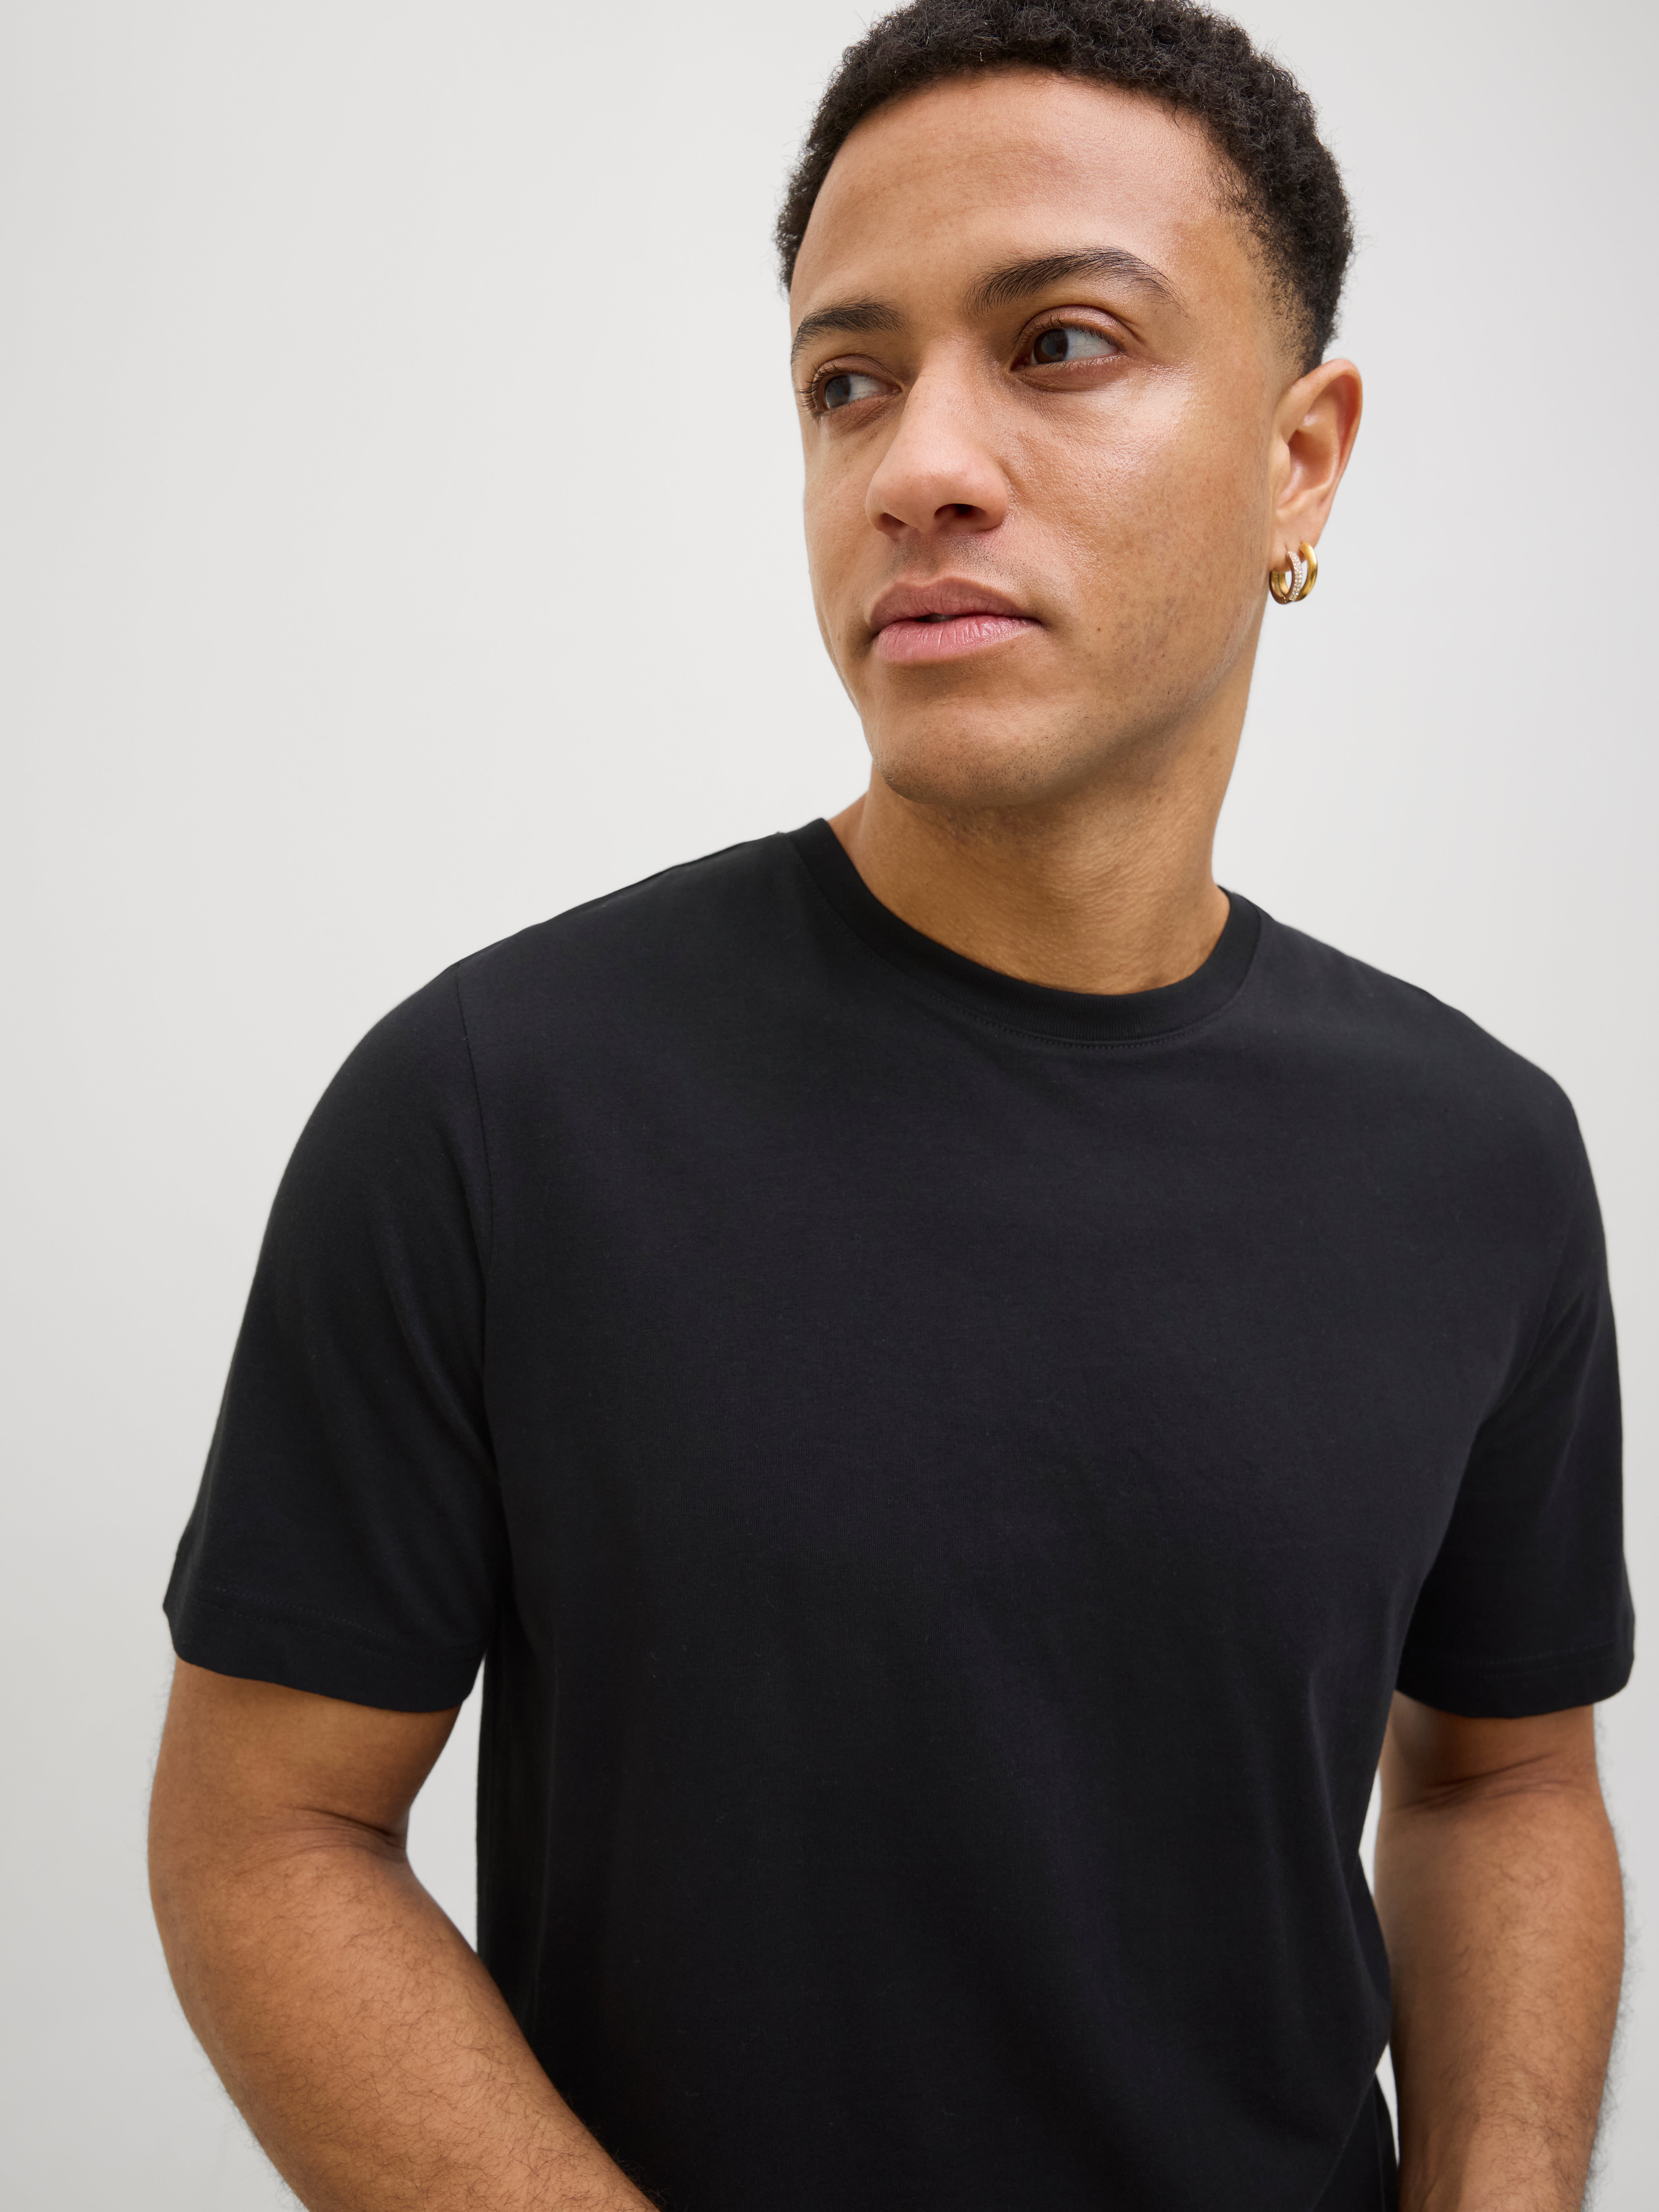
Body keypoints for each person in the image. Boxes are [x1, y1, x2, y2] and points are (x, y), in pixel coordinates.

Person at [149, 3, 1633, 2207]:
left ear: (1302, 459)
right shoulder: (490, 1110)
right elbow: (267, 1830)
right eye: (847, 380)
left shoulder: (1483, 1162)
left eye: (1060, 345)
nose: (916, 463)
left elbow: (1503, 1777)